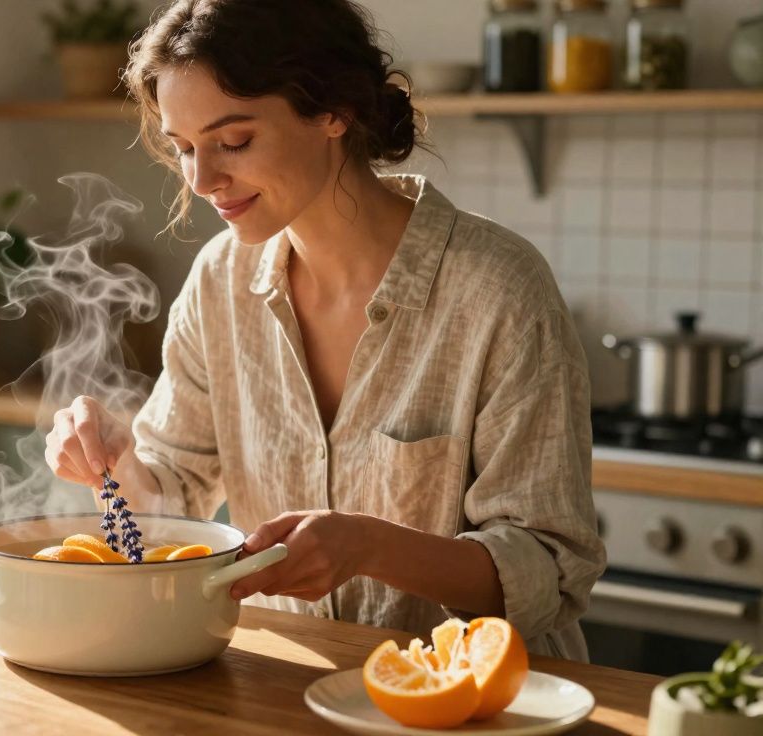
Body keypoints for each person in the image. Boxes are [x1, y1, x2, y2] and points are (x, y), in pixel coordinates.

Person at [43, 0, 605, 661]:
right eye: (184, 148)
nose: (201, 180)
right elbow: (172, 499)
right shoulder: (220, 280)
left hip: (481, 693)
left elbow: (549, 570)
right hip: (298, 689)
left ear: (334, 111)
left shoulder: (498, 289)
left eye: (234, 141)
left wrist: (370, 547)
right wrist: (118, 464)